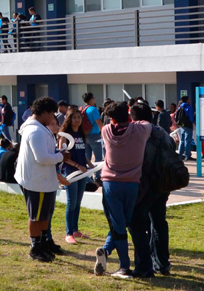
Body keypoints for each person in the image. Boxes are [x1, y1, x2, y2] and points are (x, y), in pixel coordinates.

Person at [93, 101, 151, 279]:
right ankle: (121, 264)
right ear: (128, 115)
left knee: (118, 224)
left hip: (110, 183)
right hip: (132, 183)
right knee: (123, 223)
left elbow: (111, 124)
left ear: (111, 119)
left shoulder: (106, 131)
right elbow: (145, 121)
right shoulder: (141, 130)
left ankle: (116, 258)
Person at [16, 97, 70, 262]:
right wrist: (61, 156)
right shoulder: (35, 131)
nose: (53, 118)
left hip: (42, 179)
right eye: (52, 114)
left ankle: (44, 242)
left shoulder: (39, 127)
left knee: (44, 213)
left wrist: (57, 153)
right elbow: (42, 158)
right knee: (36, 216)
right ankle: (35, 247)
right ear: (45, 112)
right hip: (36, 181)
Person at [128, 102, 177, 278]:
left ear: (133, 118)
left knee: (136, 223)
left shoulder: (138, 134)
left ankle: (143, 264)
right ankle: (162, 263)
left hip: (145, 186)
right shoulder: (164, 134)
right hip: (163, 184)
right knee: (159, 223)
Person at [59, 110, 90, 244]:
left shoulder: (81, 134)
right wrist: (78, 166)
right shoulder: (65, 136)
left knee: (78, 202)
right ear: (69, 119)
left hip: (82, 171)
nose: (77, 120)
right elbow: (63, 156)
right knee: (71, 203)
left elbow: (82, 153)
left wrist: (90, 164)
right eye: (74, 118)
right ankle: (68, 233)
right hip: (71, 171)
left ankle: (75, 230)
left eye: (79, 117)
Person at [81, 92, 104, 164]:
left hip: (84, 134)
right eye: (93, 98)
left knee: (87, 157)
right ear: (91, 99)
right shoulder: (93, 109)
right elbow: (98, 122)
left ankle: (87, 174)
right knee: (98, 157)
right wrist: (104, 132)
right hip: (94, 135)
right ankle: (97, 174)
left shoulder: (81, 108)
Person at [174, 95, 196, 161]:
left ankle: (180, 155)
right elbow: (191, 117)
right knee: (188, 141)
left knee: (182, 140)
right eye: (188, 99)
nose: (189, 100)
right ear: (187, 100)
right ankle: (187, 155)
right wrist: (193, 122)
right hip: (188, 125)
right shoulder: (189, 107)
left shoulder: (180, 107)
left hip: (181, 125)